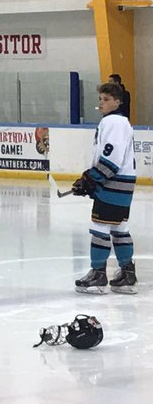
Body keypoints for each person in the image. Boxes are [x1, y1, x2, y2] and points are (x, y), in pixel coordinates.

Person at [73, 81, 138, 293]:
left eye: (107, 99)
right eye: (100, 99)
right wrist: (91, 179)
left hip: (113, 182)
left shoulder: (113, 123)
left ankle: (98, 274)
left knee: (100, 226)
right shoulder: (119, 122)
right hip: (122, 183)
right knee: (120, 227)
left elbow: (112, 159)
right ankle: (127, 273)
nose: (102, 103)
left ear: (118, 102)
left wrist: (91, 178)